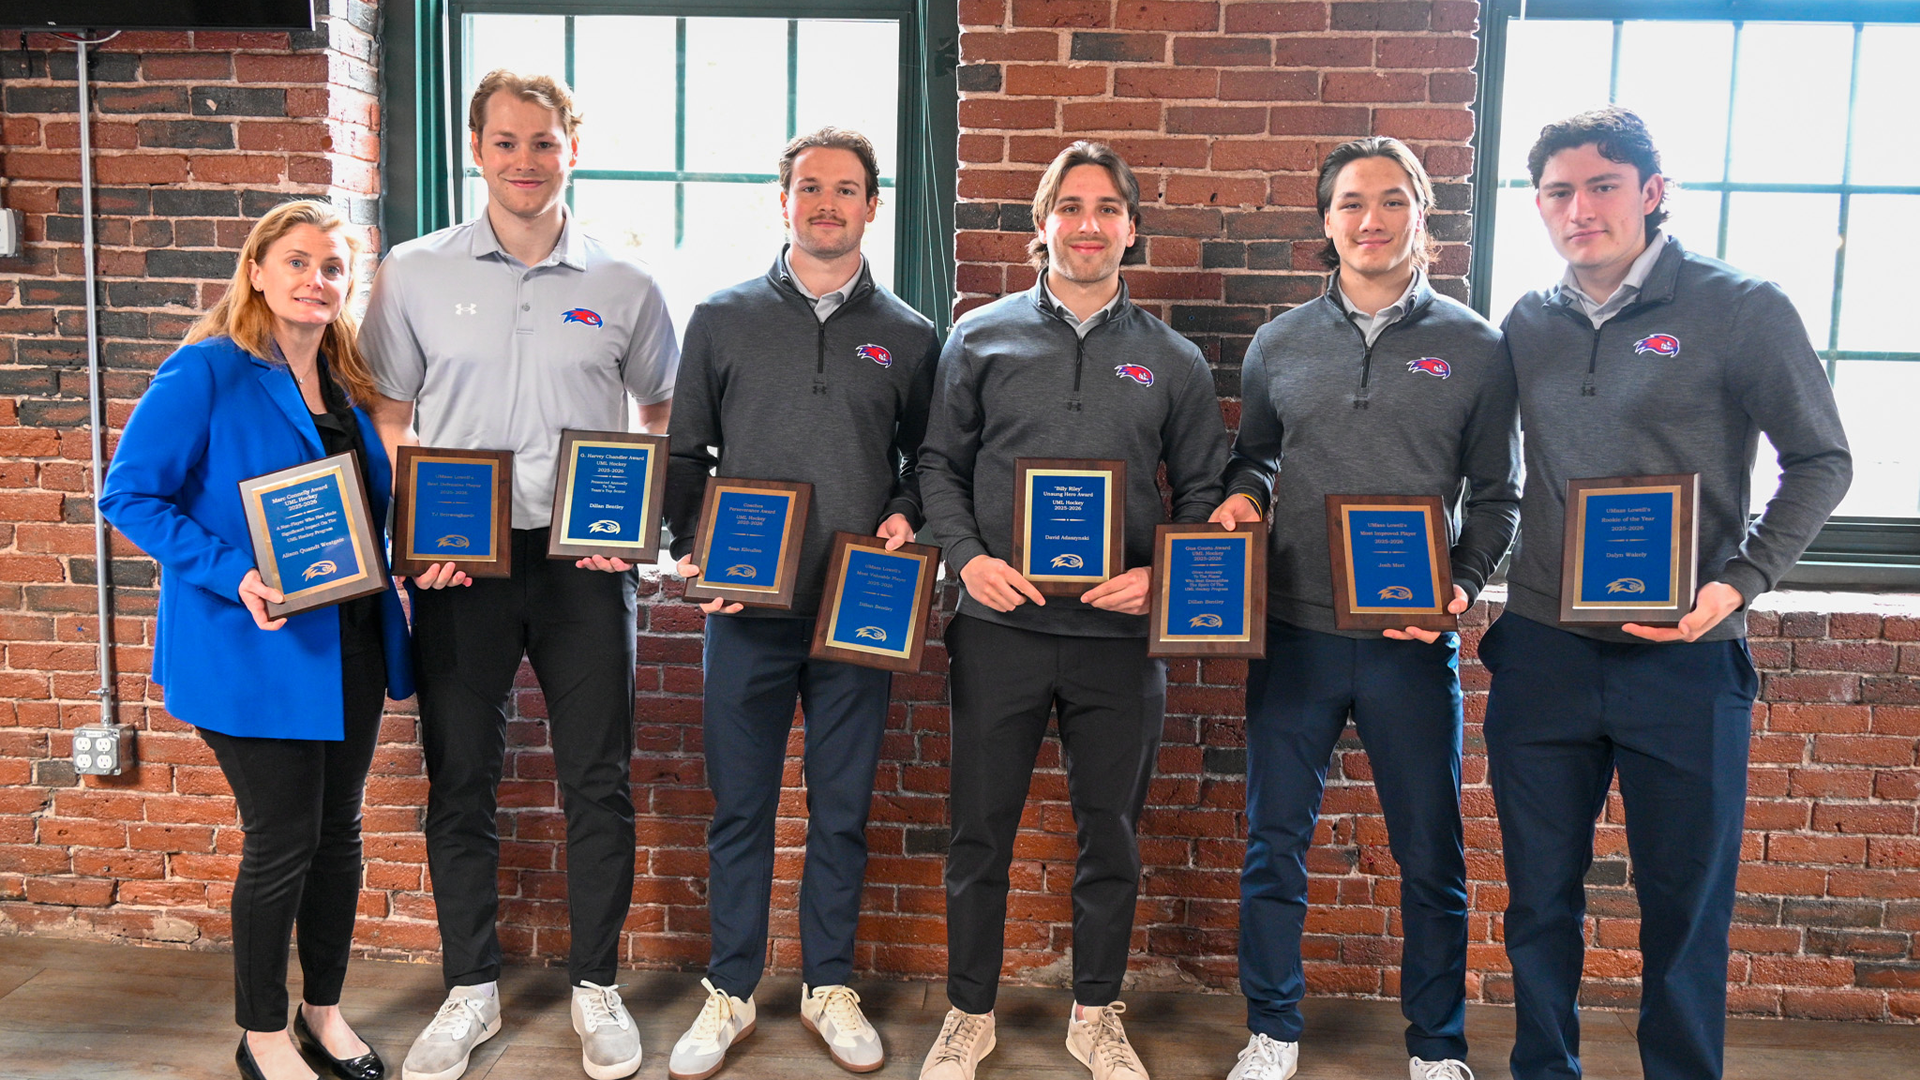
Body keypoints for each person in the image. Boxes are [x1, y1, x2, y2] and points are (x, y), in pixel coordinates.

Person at [1484, 106, 1851, 1080]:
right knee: (1538, 902)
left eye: (1602, 185)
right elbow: (1491, 476)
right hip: (1542, 655)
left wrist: (1740, 584)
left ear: (1652, 192)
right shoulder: (1525, 323)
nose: (1579, 208)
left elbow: (1821, 460)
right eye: (1558, 191)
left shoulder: (1740, 309)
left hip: (1685, 659)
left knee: (1685, 909)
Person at [358, 70, 678, 1080]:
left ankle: (597, 988)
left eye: (543, 143)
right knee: (462, 782)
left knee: (599, 783)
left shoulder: (624, 282)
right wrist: (421, 529)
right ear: (477, 148)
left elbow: (663, 413)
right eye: (506, 142)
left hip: (586, 568)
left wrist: (632, 530)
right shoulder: (412, 270)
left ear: (569, 150)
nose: (524, 161)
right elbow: (392, 416)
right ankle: (470, 991)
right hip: (463, 567)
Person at [916, 140, 1230, 1080]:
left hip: (1121, 641)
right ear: (1040, 224)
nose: (1087, 225)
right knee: (980, 831)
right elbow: (937, 467)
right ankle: (968, 1012)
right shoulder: (981, 336)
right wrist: (967, 562)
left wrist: (1164, 581)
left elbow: (1209, 497)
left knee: (1112, 836)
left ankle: (1096, 1013)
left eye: (1106, 208)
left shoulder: (1171, 359)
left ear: (1131, 229)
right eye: (1069, 206)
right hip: (999, 630)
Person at [1209, 136, 1520, 1080]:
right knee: (1273, 844)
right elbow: (1253, 458)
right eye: (1350, 203)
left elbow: (1499, 494)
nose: (1370, 220)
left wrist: (1460, 586)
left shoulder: (1475, 346)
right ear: (1326, 220)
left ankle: (1435, 1049)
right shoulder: (1279, 342)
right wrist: (1243, 499)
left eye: (1391, 201)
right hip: (1295, 634)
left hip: (1408, 642)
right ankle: (1272, 1032)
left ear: (1422, 213)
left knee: (1431, 854)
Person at [100, 198, 415, 1080]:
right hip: (252, 644)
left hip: (350, 640)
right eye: (299, 262)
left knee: (340, 835)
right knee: (283, 839)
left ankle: (324, 1011)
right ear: (257, 270)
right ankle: (262, 1033)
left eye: (334, 267)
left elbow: (374, 512)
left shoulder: (351, 381)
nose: (318, 280)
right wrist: (234, 571)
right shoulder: (206, 370)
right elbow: (129, 495)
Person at [659, 126, 938, 1080]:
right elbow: (686, 457)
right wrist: (697, 552)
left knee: (843, 809)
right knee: (740, 808)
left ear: (872, 206)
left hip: (858, 611)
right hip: (748, 615)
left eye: (847, 189)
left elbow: (923, 469)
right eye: (810, 188)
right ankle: (730, 991)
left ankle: (828, 984)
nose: (827, 203)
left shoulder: (910, 335)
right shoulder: (722, 317)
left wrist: (903, 520)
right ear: (784, 202)